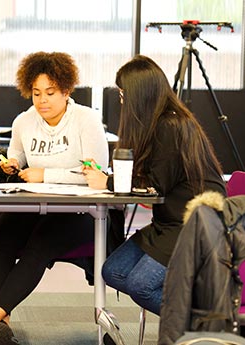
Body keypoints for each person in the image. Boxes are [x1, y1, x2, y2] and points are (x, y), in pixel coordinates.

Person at [0, 51, 109, 345]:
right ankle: (2, 324)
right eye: (36, 93)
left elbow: (97, 174)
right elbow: (16, 155)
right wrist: (11, 164)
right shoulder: (24, 122)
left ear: (66, 90)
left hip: (78, 214)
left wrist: (46, 174)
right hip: (34, 207)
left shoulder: (87, 120)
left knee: (39, 243)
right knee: (0, 238)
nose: (42, 100)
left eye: (50, 93)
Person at [82, 55, 226, 343]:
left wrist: (108, 182)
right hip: (170, 222)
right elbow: (150, 180)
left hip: (194, 225)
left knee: (140, 285)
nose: (121, 101)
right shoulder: (160, 124)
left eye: (123, 94)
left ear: (138, 95)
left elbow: (153, 186)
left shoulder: (172, 127)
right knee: (113, 270)